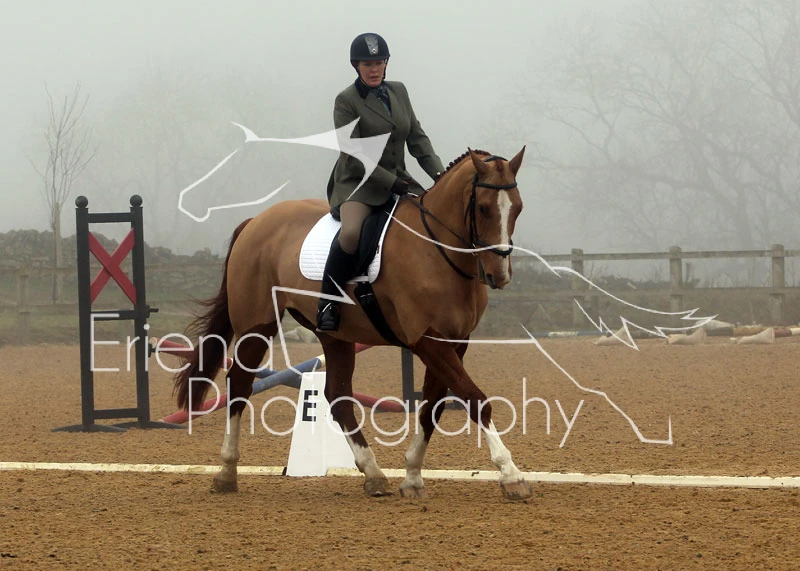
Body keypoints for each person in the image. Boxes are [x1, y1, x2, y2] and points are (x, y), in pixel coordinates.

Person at [316, 32, 445, 332]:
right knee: (350, 234)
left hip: (401, 181)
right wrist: (390, 181)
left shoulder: (399, 91)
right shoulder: (346, 101)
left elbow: (417, 138)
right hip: (358, 184)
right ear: (356, 66)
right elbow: (353, 154)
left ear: (386, 63)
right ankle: (328, 302)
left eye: (378, 63)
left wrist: (441, 177)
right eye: (367, 64)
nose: (374, 69)